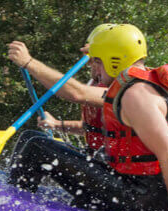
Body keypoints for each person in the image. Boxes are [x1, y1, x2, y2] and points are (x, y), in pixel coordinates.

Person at [5, 24, 168, 211]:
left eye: (96, 61)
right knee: (30, 137)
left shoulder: (137, 95)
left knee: (37, 147)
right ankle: (17, 197)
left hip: (141, 199)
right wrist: (99, 49)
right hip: (133, 187)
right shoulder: (138, 84)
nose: (92, 68)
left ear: (115, 61)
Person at [33, 24, 114, 158]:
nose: (89, 62)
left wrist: (28, 63)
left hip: (109, 165)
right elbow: (86, 128)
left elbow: (76, 93)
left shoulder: (118, 86)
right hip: (93, 155)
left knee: (36, 144)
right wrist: (56, 124)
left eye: (96, 59)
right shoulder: (94, 82)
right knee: (30, 136)